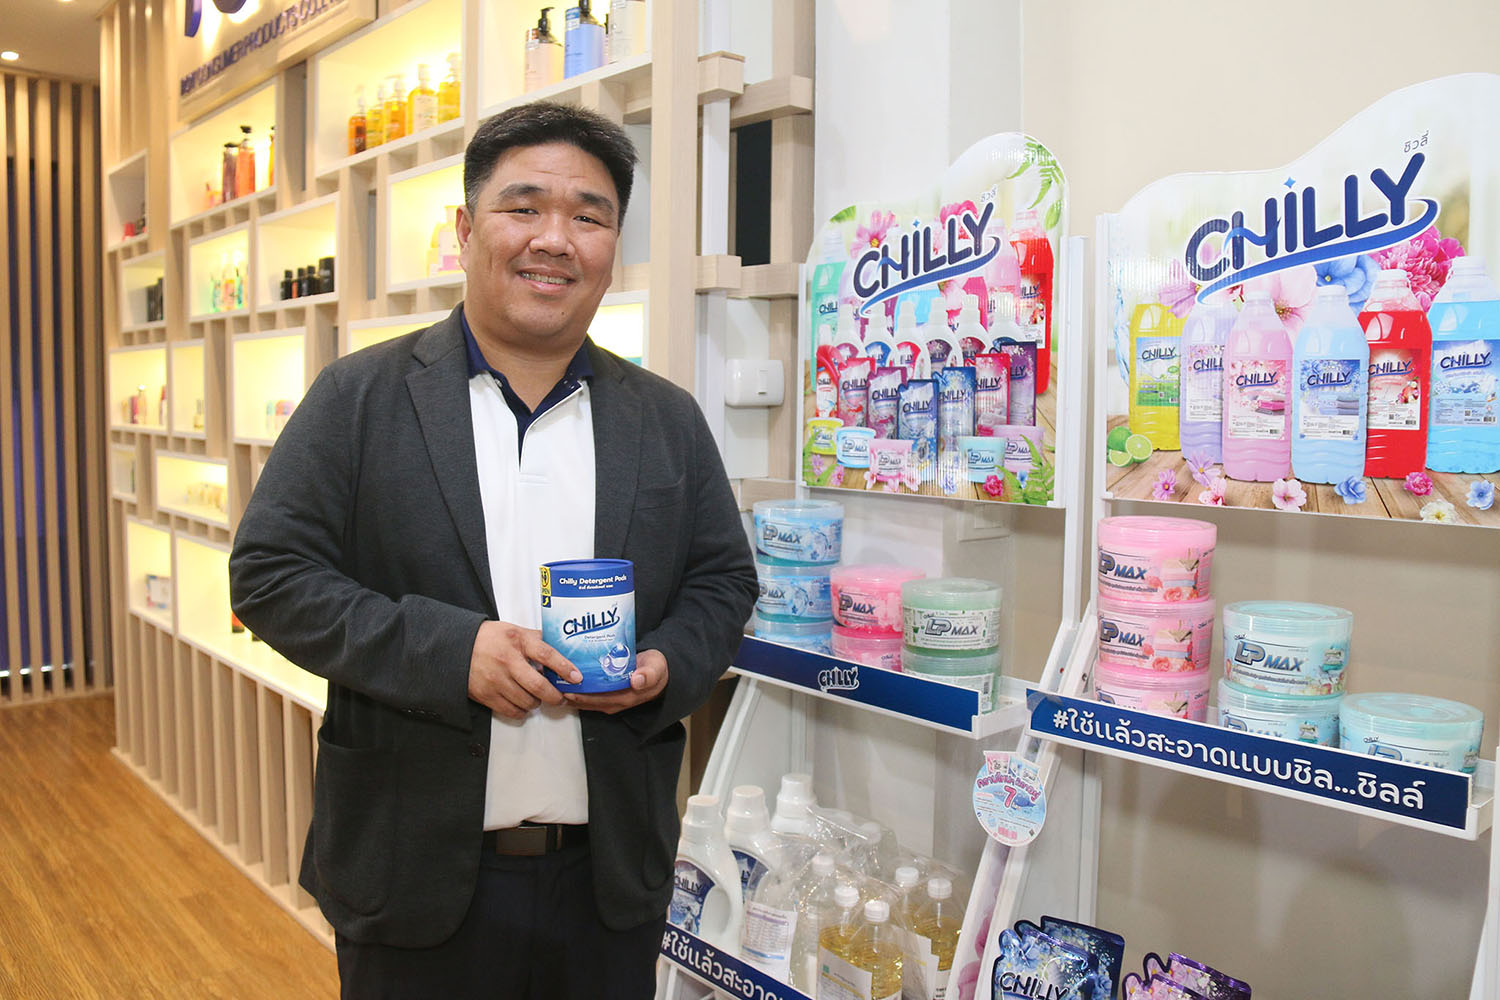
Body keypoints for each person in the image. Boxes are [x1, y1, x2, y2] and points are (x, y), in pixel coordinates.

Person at [229, 101, 758, 1000]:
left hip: (610, 882)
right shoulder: (360, 397)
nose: (555, 238)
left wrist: (667, 663)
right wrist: (450, 652)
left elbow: (723, 580)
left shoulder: (665, 417)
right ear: (467, 230)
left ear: (613, 247)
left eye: (588, 216)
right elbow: (269, 576)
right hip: (413, 878)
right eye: (524, 207)